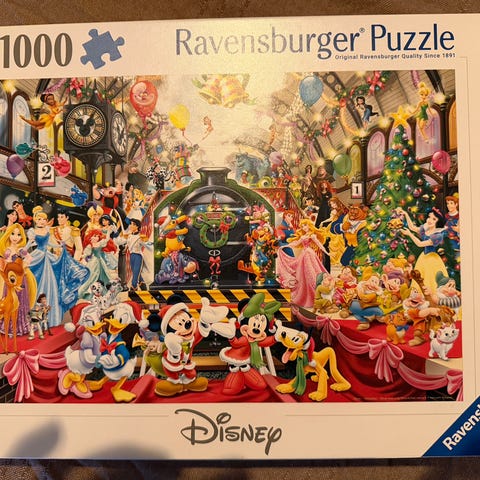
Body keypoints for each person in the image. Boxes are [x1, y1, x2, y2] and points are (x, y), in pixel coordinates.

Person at [27, 206, 89, 326]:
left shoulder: (73, 230)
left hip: (67, 260)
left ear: (67, 218)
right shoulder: (51, 230)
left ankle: (69, 314)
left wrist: (73, 262)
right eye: (58, 217)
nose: (60, 219)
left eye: (62, 217)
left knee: (65, 286)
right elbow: (48, 246)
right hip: (53, 260)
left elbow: (79, 249)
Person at [276, 218, 329, 308]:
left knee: (312, 272)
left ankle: (316, 295)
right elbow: (296, 244)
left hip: (309, 254)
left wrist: (327, 253)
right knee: (303, 274)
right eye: (303, 226)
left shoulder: (312, 235)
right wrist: (284, 246)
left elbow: (319, 245)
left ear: (309, 225)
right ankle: (307, 294)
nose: (304, 227)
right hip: (304, 254)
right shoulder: (303, 237)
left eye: (305, 225)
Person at [397, 206, 448, 293]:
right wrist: (406, 214)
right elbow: (412, 227)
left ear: (438, 221)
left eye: (434, 219)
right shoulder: (426, 229)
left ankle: (431, 296)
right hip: (424, 257)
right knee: (420, 278)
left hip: (432, 259)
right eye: (429, 217)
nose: (430, 220)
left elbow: (420, 244)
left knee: (430, 279)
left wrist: (409, 234)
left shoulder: (437, 235)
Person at [0, 223, 37, 336]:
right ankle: (9, 324)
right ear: (8, 235)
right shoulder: (7, 250)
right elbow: (6, 264)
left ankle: (20, 324)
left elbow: (29, 258)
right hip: (11, 281)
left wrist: (23, 266)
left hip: (20, 279)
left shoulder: (21, 250)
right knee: (10, 300)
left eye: (18, 234)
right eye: (13, 234)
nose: (15, 237)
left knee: (21, 300)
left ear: (22, 237)